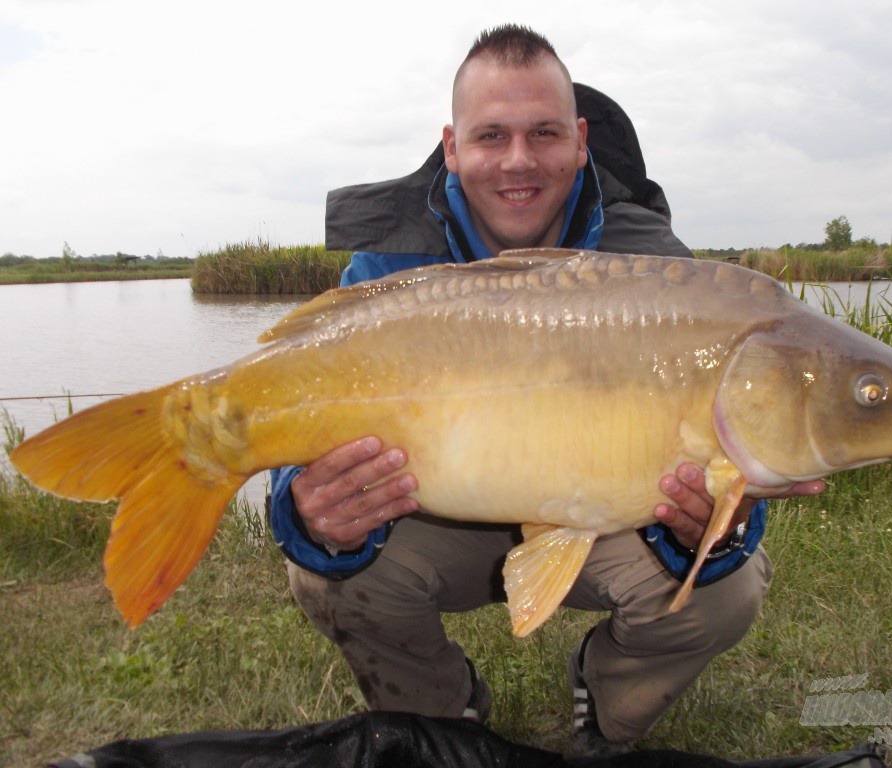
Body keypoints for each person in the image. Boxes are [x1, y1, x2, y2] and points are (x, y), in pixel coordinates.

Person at [269, 24, 823, 758]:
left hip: (607, 516)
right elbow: (301, 415)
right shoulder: (389, 263)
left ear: (582, 139)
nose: (519, 161)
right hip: (440, 515)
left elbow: (726, 465)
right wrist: (307, 514)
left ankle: (610, 707)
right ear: (452, 145)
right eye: (491, 135)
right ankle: (438, 719)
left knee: (728, 586)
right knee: (322, 576)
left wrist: (710, 527)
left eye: (545, 133)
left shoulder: (655, 267)